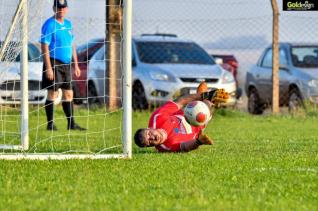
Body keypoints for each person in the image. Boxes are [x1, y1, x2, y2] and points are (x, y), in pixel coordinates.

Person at [134, 82, 229, 152]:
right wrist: (198, 142)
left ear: (149, 128)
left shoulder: (157, 117)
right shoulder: (165, 147)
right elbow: (184, 147)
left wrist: (205, 95)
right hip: (198, 125)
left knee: (200, 107)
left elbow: (180, 101)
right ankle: (208, 100)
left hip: (189, 112)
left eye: (149, 134)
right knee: (205, 111)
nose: (152, 138)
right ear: (151, 146)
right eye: (150, 142)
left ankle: (203, 96)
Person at [40, 0, 85, 131]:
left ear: (67, 9)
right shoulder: (49, 24)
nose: (61, 10)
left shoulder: (68, 24)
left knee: (69, 94)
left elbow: (72, 45)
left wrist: (76, 65)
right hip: (54, 63)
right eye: (59, 8)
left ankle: (71, 124)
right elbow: (45, 46)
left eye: (64, 7)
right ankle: (50, 124)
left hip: (67, 64)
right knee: (52, 94)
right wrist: (48, 67)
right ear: (54, 9)